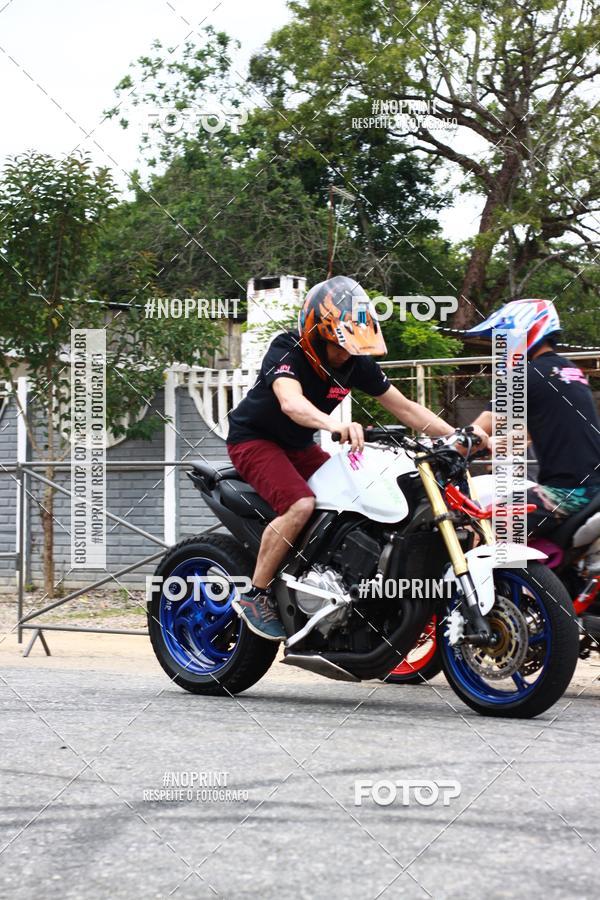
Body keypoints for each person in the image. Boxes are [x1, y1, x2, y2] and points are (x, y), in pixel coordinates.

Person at [226, 275, 484, 641]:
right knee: (300, 504)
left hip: (298, 446)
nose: (346, 355)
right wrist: (334, 424)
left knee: (353, 498)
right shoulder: (288, 349)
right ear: (316, 336)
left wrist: (458, 437)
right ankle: (257, 594)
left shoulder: (356, 362)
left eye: (352, 347)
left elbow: (406, 409)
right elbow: (290, 402)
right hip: (255, 440)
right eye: (339, 346)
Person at [468, 298, 600, 538]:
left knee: (481, 525)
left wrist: (452, 445)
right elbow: (539, 428)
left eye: (503, 337)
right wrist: (498, 445)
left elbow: (478, 429)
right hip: (593, 486)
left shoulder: (525, 376)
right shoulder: (570, 371)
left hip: (567, 491)